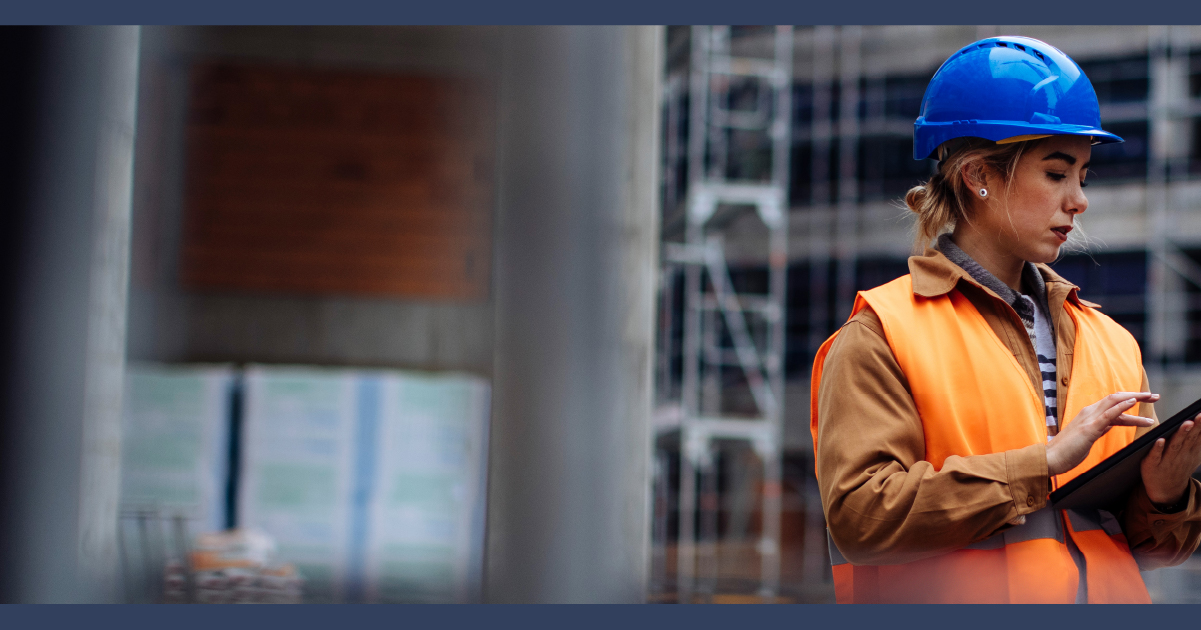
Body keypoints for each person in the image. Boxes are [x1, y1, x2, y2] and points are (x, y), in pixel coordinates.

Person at [811, 35, 1201, 604]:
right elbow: (862, 518)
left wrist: (1164, 497)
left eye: (1084, 176)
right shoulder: (883, 334)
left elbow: (1144, 547)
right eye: (1056, 173)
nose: (1079, 200)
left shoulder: (1111, 342)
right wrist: (1041, 464)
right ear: (977, 176)